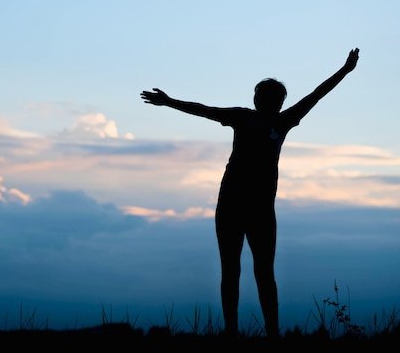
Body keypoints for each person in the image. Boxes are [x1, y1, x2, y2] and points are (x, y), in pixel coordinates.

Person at [140, 48, 359, 338]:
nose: (265, 101)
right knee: (233, 271)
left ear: (279, 102)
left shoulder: (281, 121)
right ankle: (235, 332)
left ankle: (271, 334)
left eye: (271, 98)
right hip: (231, 204)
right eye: (262, 96)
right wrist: (169, 102)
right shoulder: (242, 117)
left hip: (259, 209)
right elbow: (204, 109)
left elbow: (317, 94)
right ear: (257, 99)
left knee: (261, 273)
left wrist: (344, 71)